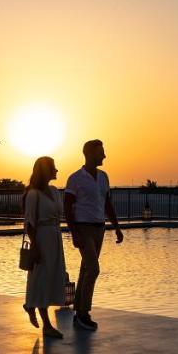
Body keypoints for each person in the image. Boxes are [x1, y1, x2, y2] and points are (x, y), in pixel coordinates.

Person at [63, 139, 123, 331]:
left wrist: (116, 227)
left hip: (99, 228)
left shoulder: (104, 177)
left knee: (86, 270)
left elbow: (107, 204)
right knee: (93, 269)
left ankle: (78, 313)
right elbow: (67, 207)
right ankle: (83, 313)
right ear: (89, 154)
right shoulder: (75, 178)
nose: (104, 156)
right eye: (101, 152)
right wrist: (74, 233)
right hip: (83, 228)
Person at [23, 156, 67, 338]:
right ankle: (47, 325)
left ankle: (30, 305)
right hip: (42, 237)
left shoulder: (55, 191)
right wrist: (35, 247)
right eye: (53, 168)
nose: (56, 170)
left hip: (55, 236)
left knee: (52, 277)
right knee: (41, 279)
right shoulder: (33, 195)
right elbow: (29, 224)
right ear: (45, 171)